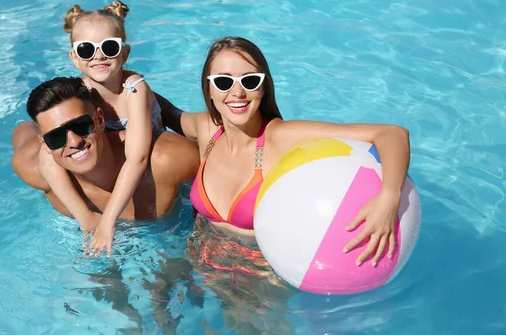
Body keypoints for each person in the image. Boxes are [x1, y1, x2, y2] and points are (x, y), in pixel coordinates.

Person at [157, 36, 411, 267]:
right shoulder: (207, 130)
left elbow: (392, 134)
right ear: (209, 90)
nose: (237, 92)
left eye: (250, 80)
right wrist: (125, 76)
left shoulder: (281, 137)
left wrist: (389, 198)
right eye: (223, 82)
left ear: (263, 87)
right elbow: (164, 110)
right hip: (199, 260)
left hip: (257, 280)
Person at [11, 76, 199, 255]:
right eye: (56, 137)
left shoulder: (165, 159)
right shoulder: (35, 171)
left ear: (100, 120)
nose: (74, 141)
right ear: (44, 144)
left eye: (81, 125)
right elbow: (22, 130)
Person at [37, 0, 164, 257]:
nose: (98, 56)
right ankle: (85, 220)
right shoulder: (80, 92)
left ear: (125, 54)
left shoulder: (134, 89)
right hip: (108, 163)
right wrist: (88, 218)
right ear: (74, 58)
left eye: (109, 47)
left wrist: (108, 221)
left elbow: (138, 157)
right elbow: (47, 157)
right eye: (86, 49)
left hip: (148, 171)